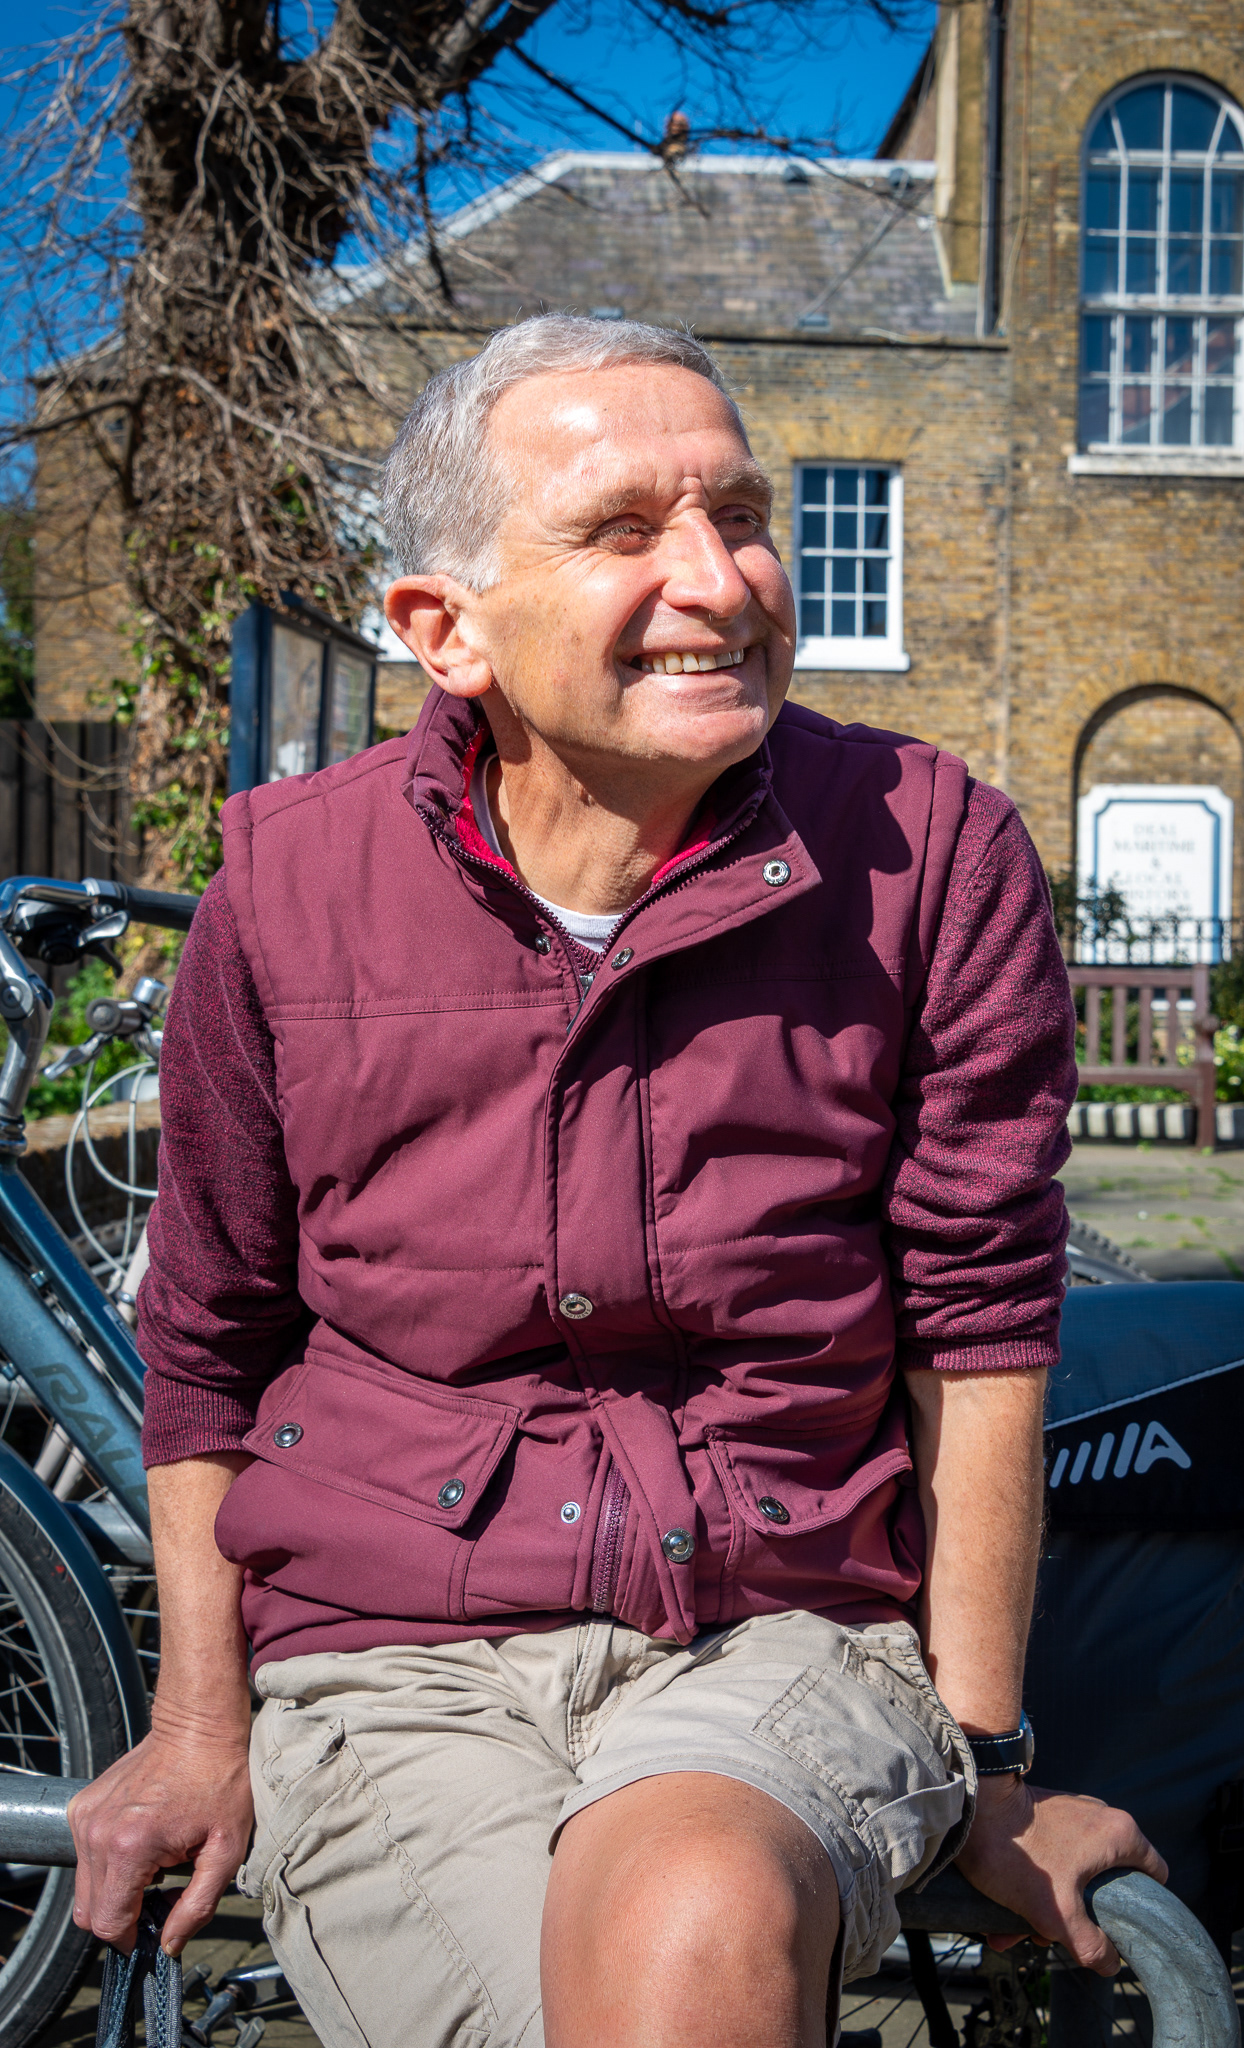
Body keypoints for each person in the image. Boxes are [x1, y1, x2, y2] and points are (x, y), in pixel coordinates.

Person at [69, 315, 1163, 2048]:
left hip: (778, 1628)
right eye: (623, 530)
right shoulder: (287, 894)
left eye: (739, 515)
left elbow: (979, 1330)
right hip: (394, 1652)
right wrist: (203, 1730)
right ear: (445, 630)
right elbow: (212, 1337)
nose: (719, 580)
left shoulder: (930, 856)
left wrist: (985, 1762)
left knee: (693, 1915)